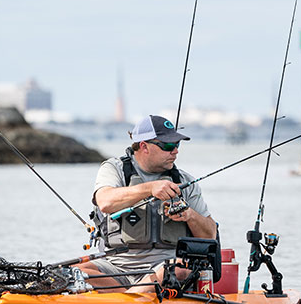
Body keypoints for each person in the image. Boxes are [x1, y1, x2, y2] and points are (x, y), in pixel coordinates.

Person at [76, 114, 217, 293]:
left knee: (181, 270)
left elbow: (210, 235)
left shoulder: (185, 181)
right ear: (144, 146)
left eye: (177, 145)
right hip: (114, 268)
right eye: (168, 145)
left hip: (164, 268)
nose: (175, 151)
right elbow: (105, 201)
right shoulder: (114, 169)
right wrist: (150, 188)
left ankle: (125, 301)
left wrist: (189, 215)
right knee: (76, 273)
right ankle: (134, 298)